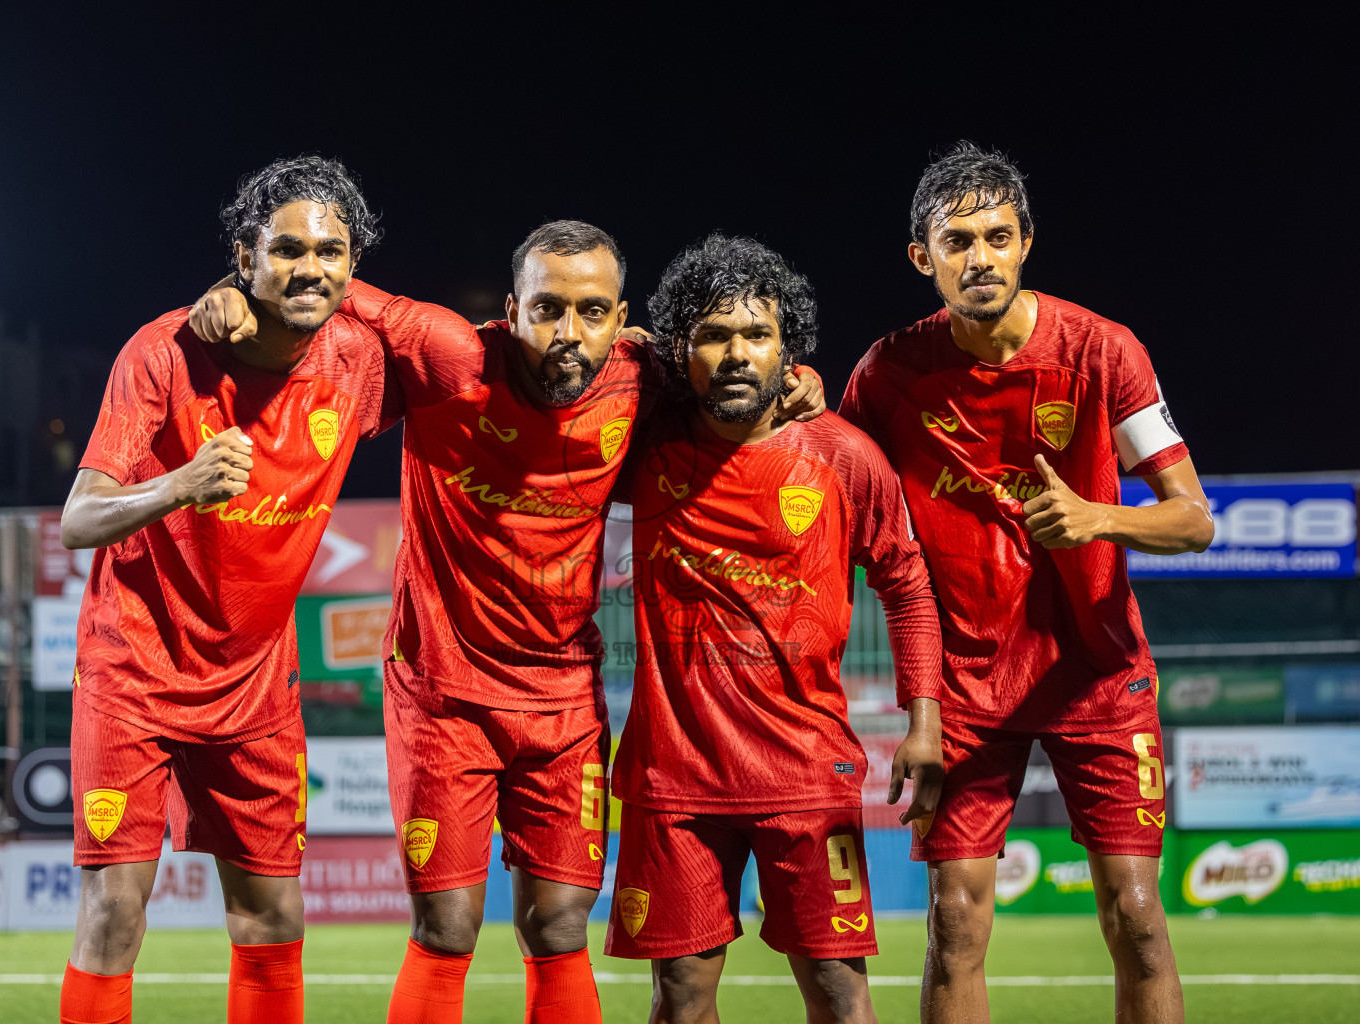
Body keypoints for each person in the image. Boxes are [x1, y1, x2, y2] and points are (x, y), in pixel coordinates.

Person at [186, 222, 826, 1024]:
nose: (569, 333)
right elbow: (325, 293)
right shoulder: (449, 361)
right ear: (510, 310)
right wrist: (236, 295)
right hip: (442, 696)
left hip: (563, 701)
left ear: (622, 315)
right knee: (448, 928)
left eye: (593, 311)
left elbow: (734, 384)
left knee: (559, 926)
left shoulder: (642, 378)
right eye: (548, 308)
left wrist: (797, 381)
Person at [839, 142, 1213, 1024]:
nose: (980, 258)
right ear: (921, 258)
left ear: (1027, 243)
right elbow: (833, 480)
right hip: (967, 691)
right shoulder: (888, 374)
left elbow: (1193, 519)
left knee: (1137, 918)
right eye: (958, 240)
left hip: (1098, 676)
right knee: (955, 925)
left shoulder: (1103, 351)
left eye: (998, 237)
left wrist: (1099, 517)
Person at [58, 155, 405, 1024]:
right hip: (134, 672)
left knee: (274, 917)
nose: (310, 267)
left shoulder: (357, 360)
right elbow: (78, 516)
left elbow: (482, 362)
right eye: (286, 249)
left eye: (331, 251)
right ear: (245, 253)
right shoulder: (164, 351)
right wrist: (179, 484)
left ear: (354, 265)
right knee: (113, 915)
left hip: (253, 691)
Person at [604, 235, 944, 1024]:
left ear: (788, 350)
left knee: (838, 994)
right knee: (681, 1001)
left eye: (757, 334)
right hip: (672, 779)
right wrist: (647, 345)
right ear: (680, 350)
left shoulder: (843, 456)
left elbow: (908, 585)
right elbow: (597, 359)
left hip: (805, 774)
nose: (735, 353)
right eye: (713, 335)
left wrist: (922, 725)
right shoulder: (645, 448)